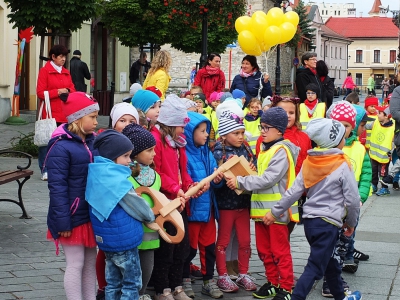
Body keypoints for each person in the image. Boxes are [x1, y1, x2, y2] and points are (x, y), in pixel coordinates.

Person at [263, 117, 362, 300]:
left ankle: (341, 296)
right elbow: (353, 200)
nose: (344, 140)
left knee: (329, 261)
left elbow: (294, 191)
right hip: (329, 223)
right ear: (335, 141)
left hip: (310, 223)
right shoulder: (342, 163)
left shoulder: (310, 161)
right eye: (342, 137)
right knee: (315, 267)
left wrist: (274, 211)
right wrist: (351, 222)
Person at [225, 107, 299, 300]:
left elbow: (268, 179)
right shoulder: (266, 149)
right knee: (265, 251)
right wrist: (251, 171)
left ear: (279, 130)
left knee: (279, 252)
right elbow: (261, 176)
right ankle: (273, 282)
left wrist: (241, 181)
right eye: (261, 127)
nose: (262, 131)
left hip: (277, 213)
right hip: (261, 212)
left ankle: (287, 287)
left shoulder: (282, 150)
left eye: (267, 128)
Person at [86, 130, 155, 300]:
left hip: (107, 241)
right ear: (112, 156)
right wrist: (150, 216)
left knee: (113, 282)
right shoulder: (116, 180)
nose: (129, 161)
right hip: (124, 241)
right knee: (131, 283)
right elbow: (137, 206)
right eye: (125, 156)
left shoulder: (97, 173)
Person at [46, 92, 99, 300]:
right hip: (71, 216)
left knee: (89, 263)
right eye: (92, 117)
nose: (96, 122)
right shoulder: (61, 147)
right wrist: (63, 222)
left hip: (90, 214)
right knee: (75, 264)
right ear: (77, 118)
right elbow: (57, 187)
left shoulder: (93, 142)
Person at [150, 94, 200, 300]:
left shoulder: (178, 141)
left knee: (182, 248)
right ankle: (163, 289)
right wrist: (174, 187)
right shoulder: (156, 139)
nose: (183, 128)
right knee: (167, 250)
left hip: (180, 202)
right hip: (166, 202)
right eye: (181, 124)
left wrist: (189, 185)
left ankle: (177, 285)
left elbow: (183, 170)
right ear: (171, 124)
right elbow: (157, 172)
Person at [213, 109, 257, 293]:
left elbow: (252, 172)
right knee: (222, 241)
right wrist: (218, 179)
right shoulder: (217, 152)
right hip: (226, 205)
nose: (241, 136)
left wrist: (253, 168)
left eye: (241, 133)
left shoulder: (246, 149)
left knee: (245, 240)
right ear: (224, 135)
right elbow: (215, 180)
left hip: (243, 203)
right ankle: (222, 275)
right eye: (236, 133)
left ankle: (243, 273)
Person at [182, 112, 224, 299]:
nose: (207, 134)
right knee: (188, 250)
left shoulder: (207, 152)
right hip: (193, 211)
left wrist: (217, 180)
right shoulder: (184, 154)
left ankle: (208, 280)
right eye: (202, 131)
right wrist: (195, 186)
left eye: (207, 131)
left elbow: (214, 180)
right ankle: (184, 279)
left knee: (208, 248)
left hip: (207, 211)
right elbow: (186, 179)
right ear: (191, 133)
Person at [36, 44, 76, 181]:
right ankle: (45, 169)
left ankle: (61, 168)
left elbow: (72, 89)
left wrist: (68, 91)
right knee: (46, 142)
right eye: (61, 56)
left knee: (64, 143)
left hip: (64, 113)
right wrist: (58, 92)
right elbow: (40, 93)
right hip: (50, 113)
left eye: (65, 56)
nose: (64, 59)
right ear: (53, 57)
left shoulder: (66, 72)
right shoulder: (44, 71)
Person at [367, 105, 394, 196]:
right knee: (373, 171)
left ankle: (384, 188)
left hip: (384, 156)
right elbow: (366, 125)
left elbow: (394, 140)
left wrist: (392, 151)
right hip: (374, 154)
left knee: (383, 173)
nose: (377, 114)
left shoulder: (393, 127)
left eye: (379, 113)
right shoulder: (375, 122)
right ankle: (374, 185)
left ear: (386, 116)